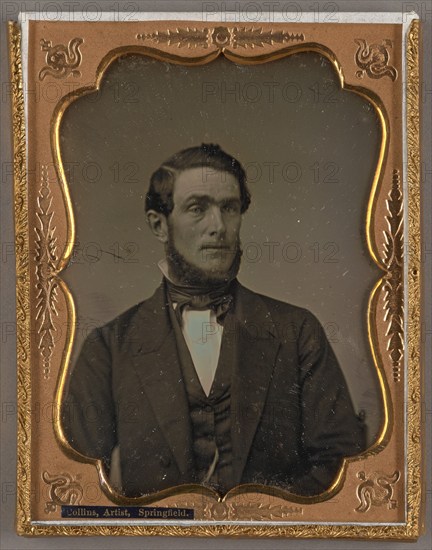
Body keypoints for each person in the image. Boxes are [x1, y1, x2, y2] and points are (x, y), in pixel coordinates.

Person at [61, 143, 366, 498]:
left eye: (229, 208)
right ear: (159, 225)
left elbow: (342, 466)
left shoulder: (296, 332)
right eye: (197, 208)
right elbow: (74, 485)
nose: (218, 226)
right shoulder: (109, 347)